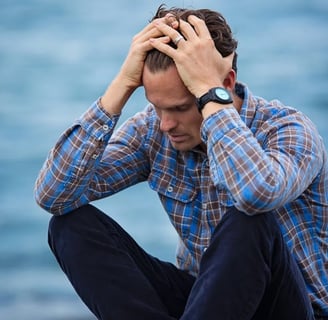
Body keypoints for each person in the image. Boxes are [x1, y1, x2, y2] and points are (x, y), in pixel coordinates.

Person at [34, 5, 328, 320]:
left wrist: (208, 93)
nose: (165, 124)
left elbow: (254, 193)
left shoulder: (289, 130)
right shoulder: (154, 131)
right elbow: (54, 195)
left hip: (290, 309)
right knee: (69, 226)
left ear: (225, 84)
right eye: (157, 107)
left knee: (250, 219)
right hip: (204, 303)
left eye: (180, 107)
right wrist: (121, 85)